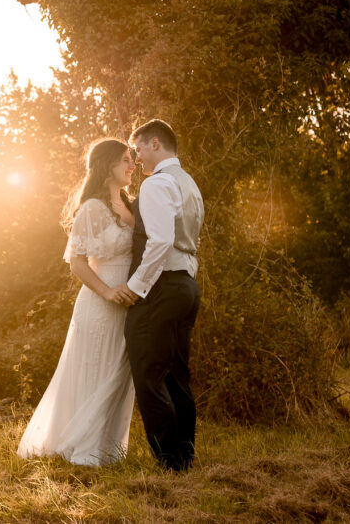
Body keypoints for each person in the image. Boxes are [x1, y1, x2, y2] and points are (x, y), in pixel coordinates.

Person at [16, 138, 138, 466]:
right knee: (96, 369)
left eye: (132, 159)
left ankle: (109, 448)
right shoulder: (91, 209)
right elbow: (78, 262)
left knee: (119, 372)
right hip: (100, 303)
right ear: (106, 165)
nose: (132, 165)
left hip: (131, 305)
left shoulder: (131, 205)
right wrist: (109, 292)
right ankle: (84, 448)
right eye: (126, 159)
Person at [118, 119, 204, 472]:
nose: (136, 159)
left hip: (161, 288)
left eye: (137, 150)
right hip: (187, 286)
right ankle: (184, 455)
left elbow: (161, 242)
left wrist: (136, 287)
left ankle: (169, 461)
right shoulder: (189, 183)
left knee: (148, 372)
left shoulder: (157, 184)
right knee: (176, 375)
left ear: (155, 143)